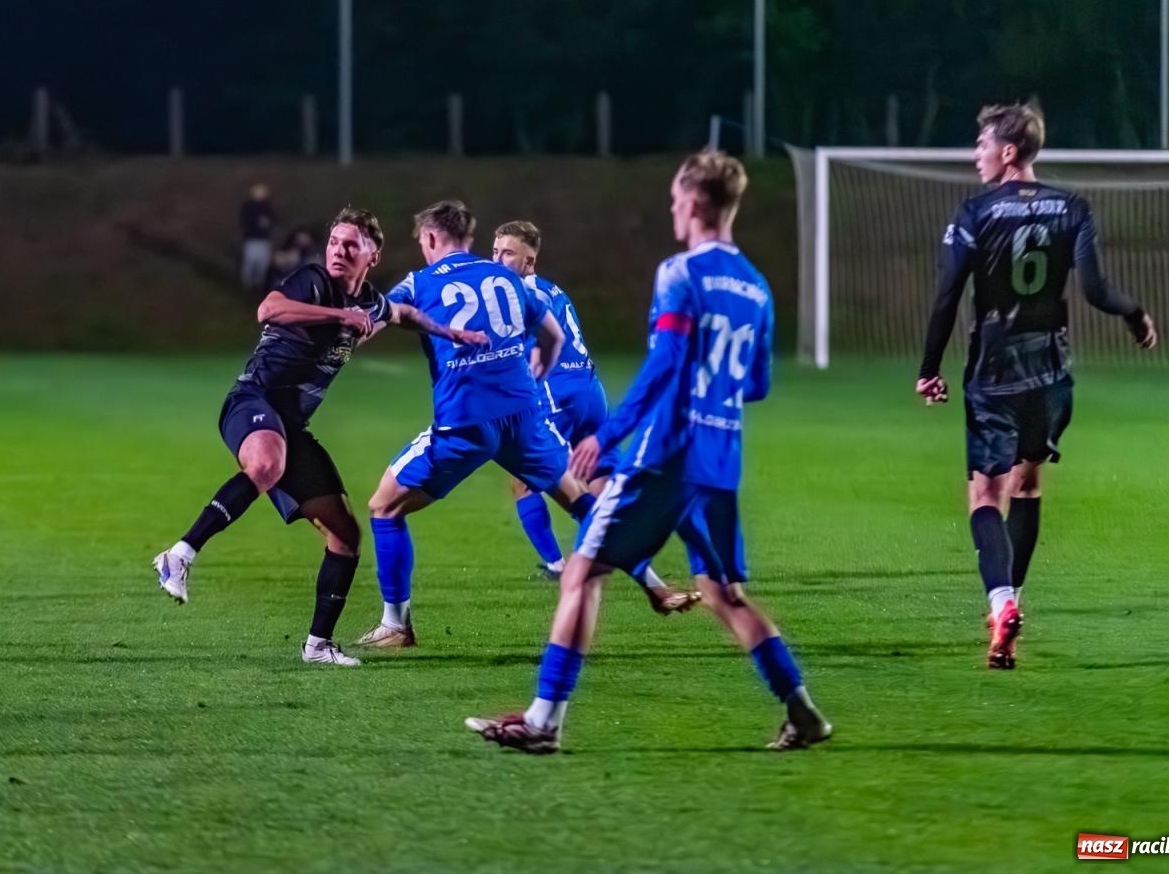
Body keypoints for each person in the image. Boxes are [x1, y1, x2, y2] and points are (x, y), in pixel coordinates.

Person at [466, 151, 832, 754]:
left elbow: (664, 365)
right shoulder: (756, 286)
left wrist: (606, 436)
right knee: (723, 593)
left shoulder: (680, 273)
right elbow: (758, 384)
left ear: (694, 203)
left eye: (674, 201)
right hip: (721, 456)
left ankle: (543, 722)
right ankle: (804, 712)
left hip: (667, 455)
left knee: (582, 573)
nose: (672, 210)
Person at [152, 207, 487, 667]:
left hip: (291, 426)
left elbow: (404, 312)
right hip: (253, 401)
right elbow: (268, 309)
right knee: (266, 464)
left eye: (350, 244)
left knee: (345, 535)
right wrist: (339, 314)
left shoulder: (371, 302)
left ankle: (318, 645)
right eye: (334, 242)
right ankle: (180, 555)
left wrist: (450, 332)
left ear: (372, 254)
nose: (338, 251)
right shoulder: (313, 282)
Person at [916, 101, 1157, 669]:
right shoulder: (1072, 207)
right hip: (1049, 369)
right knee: (1026, 485)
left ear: (1007, 152)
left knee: (985, 496)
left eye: (981, 145)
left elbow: (948, 296)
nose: (975, 155)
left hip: (994, 370)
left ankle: (1001, 604)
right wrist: (1135, 314)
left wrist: (929, 368)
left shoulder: (975, 212)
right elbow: (1096, 291)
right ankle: (1014, 606)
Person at [354, 200, 601, 649]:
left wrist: (343, 327)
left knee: (384, 506)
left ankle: (396, 625)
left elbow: (376, 319)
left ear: (432, 237)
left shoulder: (421, 280)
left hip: (465, 423)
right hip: (526, 415)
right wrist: (535, 373)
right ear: (470, 238)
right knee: (580, 500)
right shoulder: (509, 279)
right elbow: (553, 334)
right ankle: (647, 578)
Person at [491, 220, 699, 614]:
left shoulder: (516, 294)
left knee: (524, 481)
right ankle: (658, 578)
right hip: (591, 394)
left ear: (529, 261)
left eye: (508, 253)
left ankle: (557, 565)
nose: (498, 259)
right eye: (495, 251)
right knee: (604, 496)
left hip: (557, 395)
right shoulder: (552, 289)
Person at [239, 183, 275, 292]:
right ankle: (247, 284)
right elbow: (245, 221)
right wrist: (256, 223)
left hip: (264, 239)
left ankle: (259, 284)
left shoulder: (268, 206)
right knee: (251, 261)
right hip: (252, 238)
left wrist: (267, 223)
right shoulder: (248, 206)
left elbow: (273, 219)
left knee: (262, 263)